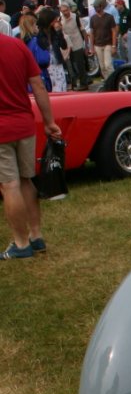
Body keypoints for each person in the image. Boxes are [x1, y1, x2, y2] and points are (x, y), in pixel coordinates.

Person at [0, 32, 61, 259]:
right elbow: (39, 85)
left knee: (9, 185)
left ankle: (21, 243)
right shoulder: (17, 45)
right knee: (26, 180)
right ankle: (36, 236)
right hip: (24, 124)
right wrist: (49, 122)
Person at [87, 0, 117, 79]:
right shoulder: (93, 18)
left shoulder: (109, 17)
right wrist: (91, 47)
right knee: (102, 66)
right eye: (95, 7)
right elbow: (92, 33)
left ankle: (112, 81)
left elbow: (114, 31)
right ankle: (107, 82)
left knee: (108, 65)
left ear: (102, 6)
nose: (96, 8)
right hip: (97, 45)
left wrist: (114, 46)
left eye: (97, 6)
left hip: (108, 43)